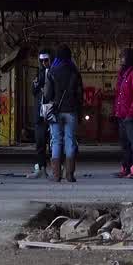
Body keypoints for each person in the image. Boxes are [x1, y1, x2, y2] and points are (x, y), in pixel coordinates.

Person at [42, 44, 83, 183]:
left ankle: (56, 175)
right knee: (70, 140)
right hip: (71, 111)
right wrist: (79, 111)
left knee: (56, 141)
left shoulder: (52, 72)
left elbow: (47, 95)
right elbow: (80, 95)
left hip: (56, 111)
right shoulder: (75, 72)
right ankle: (69, 174)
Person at [113, 47, 133, 179]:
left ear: (129, 59)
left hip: (131, 117)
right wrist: (117, 112)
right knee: (125, 144)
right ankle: (126, 168)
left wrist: (131, 114)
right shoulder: (123, 76)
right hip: (122, 116)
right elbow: (119, 96)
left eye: (123, 57)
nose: (121, 60)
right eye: (121, 57)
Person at [27, 49, 52, 179]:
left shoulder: (54, 74)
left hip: (52, 112)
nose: (43, 63)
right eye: (41, 60)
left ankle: (57, 169)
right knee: (40, 142)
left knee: (54, 143)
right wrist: (38, 82)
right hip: (40, 114)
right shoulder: (39, 75)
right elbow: (33, 90)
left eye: (46, 60)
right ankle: (41, 168)